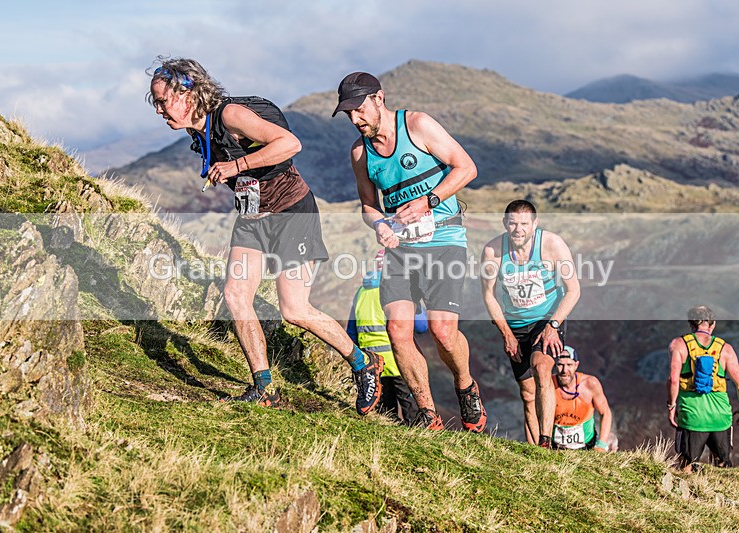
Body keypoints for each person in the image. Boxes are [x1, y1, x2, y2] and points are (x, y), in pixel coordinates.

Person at [147, 57, 384, 414]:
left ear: (188, 93)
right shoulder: (198, 130)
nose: (160, 110)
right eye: (156, 103)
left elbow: (290, 144)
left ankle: (363, 363)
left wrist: (236, 166)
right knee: (236, 295)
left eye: (163, 101)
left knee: (295, 309)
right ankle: (264, 387)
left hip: (292, 212)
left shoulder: (229, 115)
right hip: (252, 216)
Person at [334, 71, 486, 432]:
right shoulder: (360, 153)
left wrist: (429, 201)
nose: (355, 119)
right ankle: (426, 414)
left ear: (379, 99)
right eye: (348, 114)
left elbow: (467, 168)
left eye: (359, 110)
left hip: (444, 240)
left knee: (442, 331)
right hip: (401, 250)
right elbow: (368, 205)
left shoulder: (417, 125)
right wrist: (380, 226)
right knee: (397, 330)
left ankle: (465, 386)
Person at [480, 200, 581, 447]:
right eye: (513, 223)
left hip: (547, 319)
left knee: (542, 367)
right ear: (505, 224)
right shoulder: (493, 251)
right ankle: (536, 450)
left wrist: (553, 326)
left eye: (524, 224)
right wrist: (506, 333)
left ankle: (547, 441)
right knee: (527, 393)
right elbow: (488, 295)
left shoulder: (552, 244)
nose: (518, 230)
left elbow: (574, 290)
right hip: (514, 324)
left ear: (534, 224)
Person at [346, 250, 427, 425]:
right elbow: (422, 327)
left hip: (373, 365)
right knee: (414, 416)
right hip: (400, 362)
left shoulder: (361, 292)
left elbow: (351, 333)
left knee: (385, 418)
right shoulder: (400, 291)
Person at [667, 306, 739, 471]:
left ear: (691, 325)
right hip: (721, 416)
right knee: (722, 463)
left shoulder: (679, 345)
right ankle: (723, 495)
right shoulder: (725, 349)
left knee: (686, 465)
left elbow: (673, 380)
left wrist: (671, 406)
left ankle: (686, 496)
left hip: (692, 415)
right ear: (712, 325)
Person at [551, 346, 614, 451]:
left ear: (576, 365)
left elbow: (606, 413)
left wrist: (601, 445)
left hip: (586, 446)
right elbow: (533, 413)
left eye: (569, 365)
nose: (564, 370)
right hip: (555, 447)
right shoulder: (548, 384)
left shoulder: (590, 384)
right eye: (560, 365)